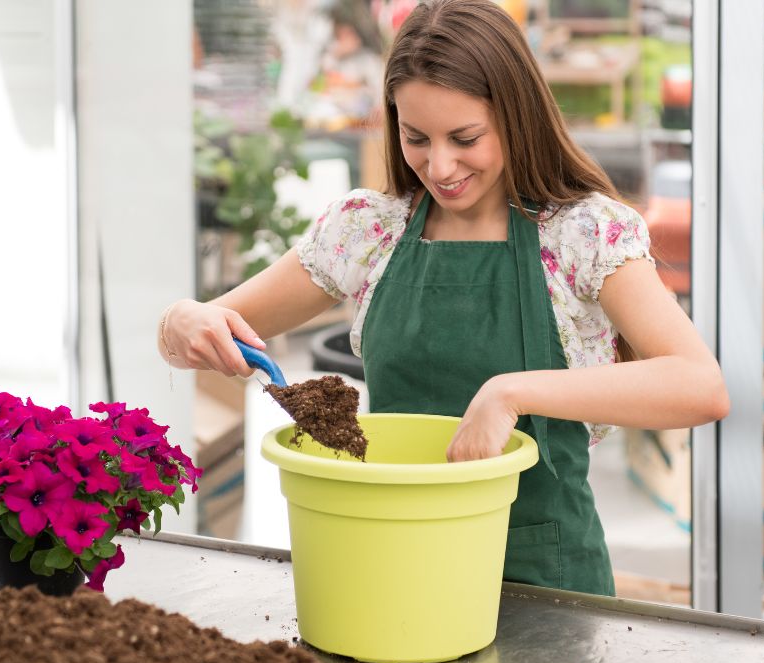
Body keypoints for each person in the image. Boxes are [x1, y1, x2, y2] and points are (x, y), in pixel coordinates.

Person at [159, 0, 729, 596]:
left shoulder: (582, 234)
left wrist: (511, 393)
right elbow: (209, 333)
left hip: (544, 584)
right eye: (415, 138)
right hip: (393, 566)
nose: (440, 164)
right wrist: (182, 320)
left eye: (465, 138)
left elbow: (700, 387)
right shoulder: (366, 231)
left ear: (516, 116)